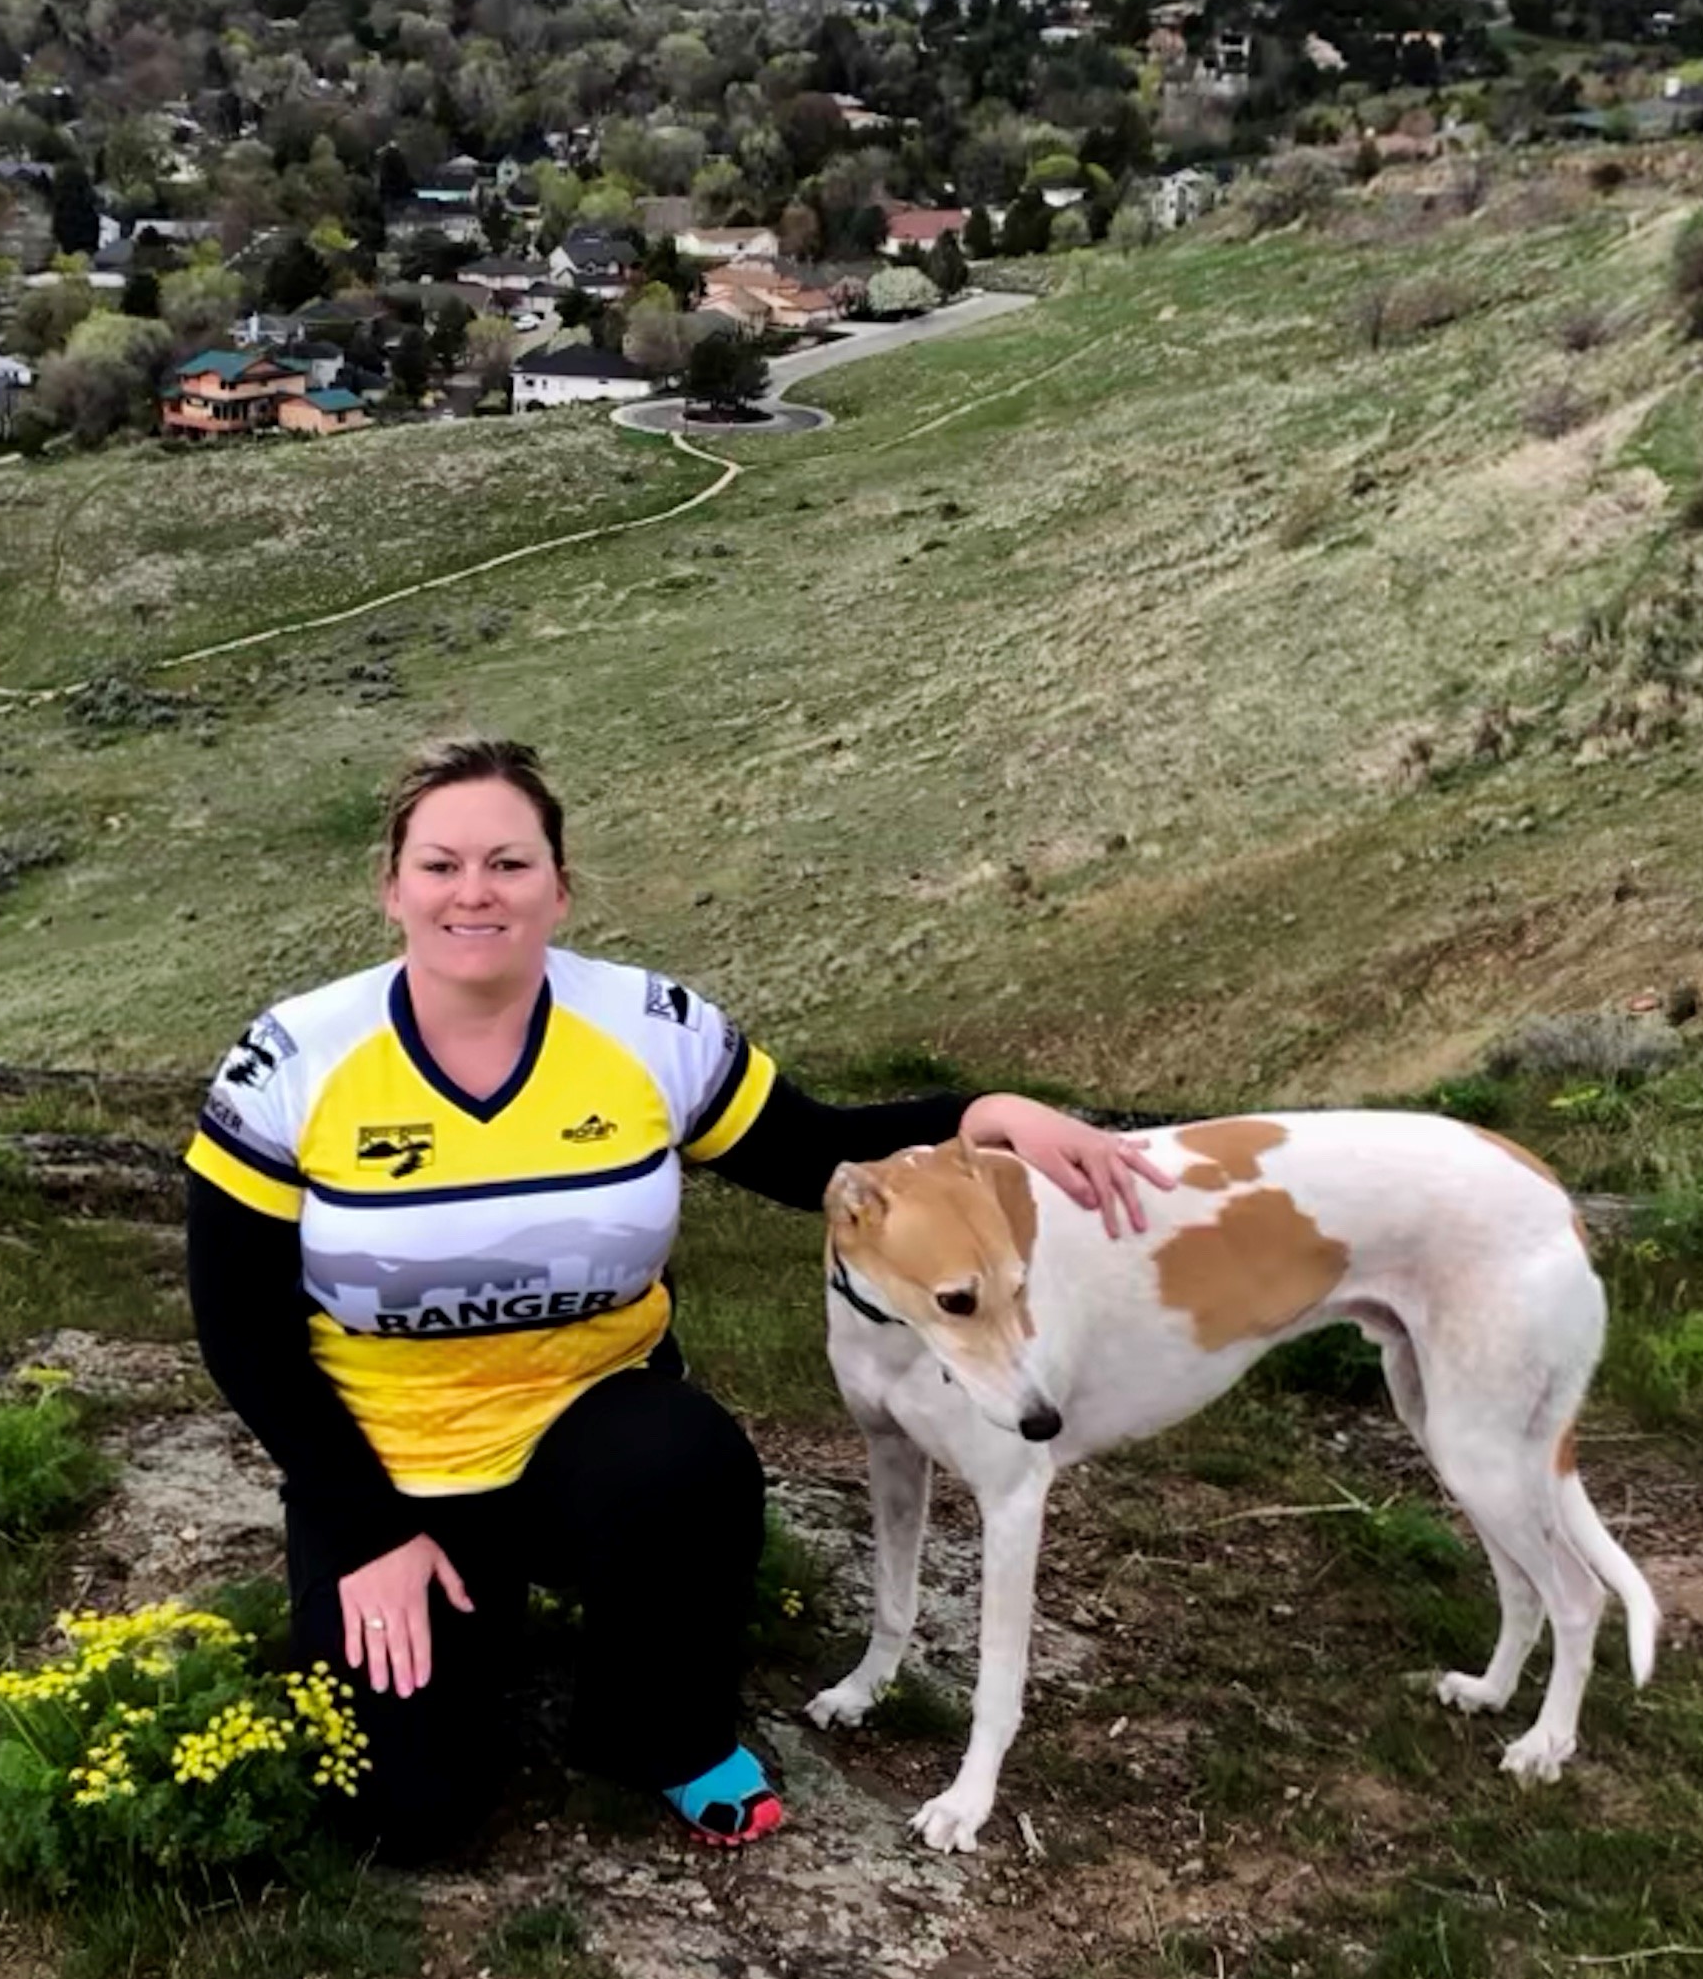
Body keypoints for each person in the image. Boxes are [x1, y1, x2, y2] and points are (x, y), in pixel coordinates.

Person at [184, 737, 1167, 1861]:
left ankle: (654, 1726)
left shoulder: (647, 1025)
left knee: (688, 1466)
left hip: (590, 1420)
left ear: (559, 885)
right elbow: (241, 1324)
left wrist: (985, 1111)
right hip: (385, 1457)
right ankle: (462, 1610)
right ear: (390, 887)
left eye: (508, 862)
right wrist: (365, 1527)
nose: (474, 891)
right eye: (440, 863)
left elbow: (812, 1150)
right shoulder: (295, 1056)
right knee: (411, 1821)